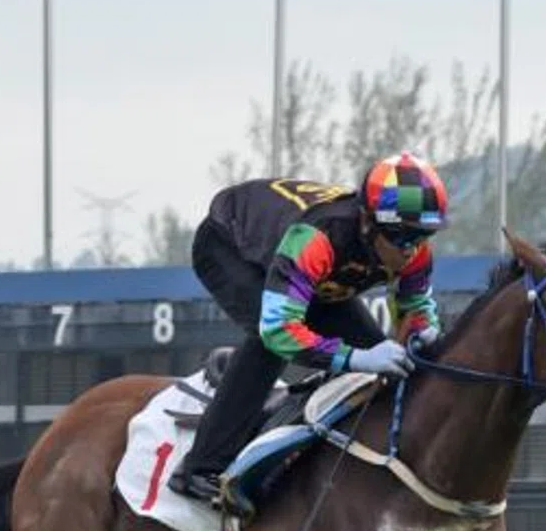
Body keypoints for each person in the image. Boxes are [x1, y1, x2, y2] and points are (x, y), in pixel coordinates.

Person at [167, 153, 450, 505]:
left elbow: (414, 311)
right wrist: (355, 358)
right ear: (368, 223)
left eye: (421, 236)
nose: (410, 251)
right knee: (269, 344)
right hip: (232, 246)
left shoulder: (415, 252)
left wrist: (424, 335)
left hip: (319, 272)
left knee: (388, 368)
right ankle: (200, 467)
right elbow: (279, 330)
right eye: (400, 238)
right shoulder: (317, 239)